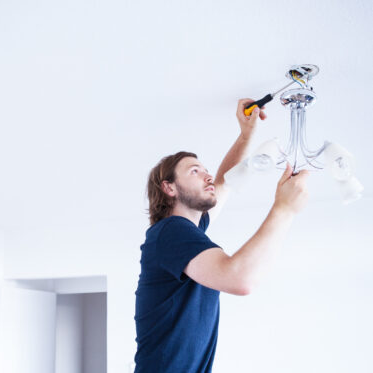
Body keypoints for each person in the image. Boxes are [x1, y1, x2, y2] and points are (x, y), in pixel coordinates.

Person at [133, 98, 310, 372]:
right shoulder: (171, 232)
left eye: (205, 170)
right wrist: (284, 209)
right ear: (169, 188)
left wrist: (245, 134)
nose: (207, 176)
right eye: (195, 171)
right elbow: (239, 279)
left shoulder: (182, 236)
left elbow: (224, 182)